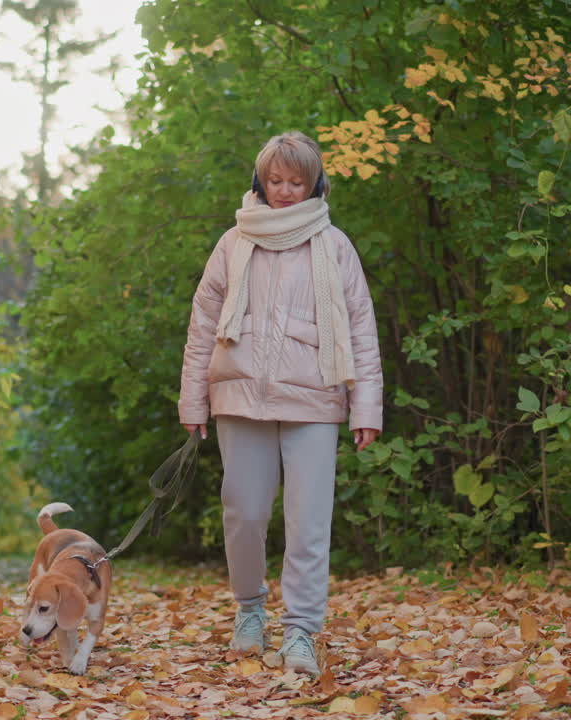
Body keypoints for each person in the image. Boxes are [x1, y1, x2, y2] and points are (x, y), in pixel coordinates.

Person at [177, 131, 383, 676]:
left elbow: (360, 329)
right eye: (276, 181)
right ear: (260, 182)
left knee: (308, 522)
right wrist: (193, 399)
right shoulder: (234, 242)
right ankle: (250, 611)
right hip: (239, 396)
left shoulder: (334, 245)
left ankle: (301, 633)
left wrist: (366, 408)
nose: (286, 191)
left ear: (315, 183)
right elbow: (203, 326)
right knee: (243, 513)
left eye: (297, 181)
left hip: (315, 399)